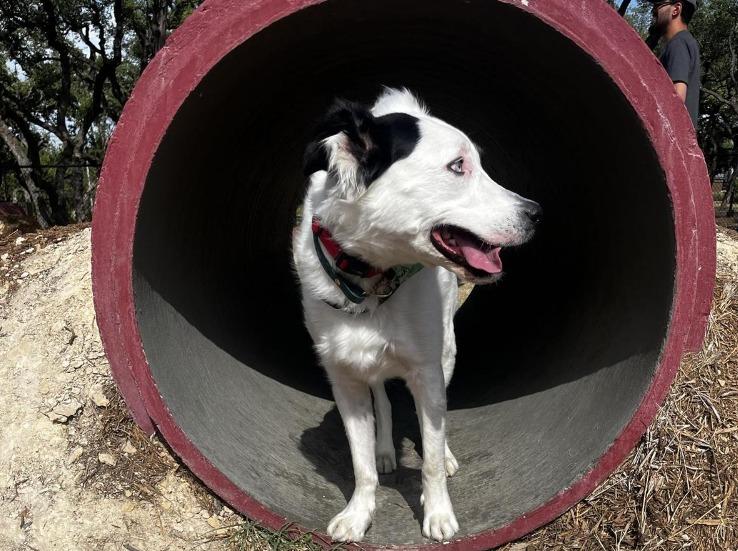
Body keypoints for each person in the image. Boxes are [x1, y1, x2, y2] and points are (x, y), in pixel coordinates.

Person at [647, 0, 701, 128]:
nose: (654, 11)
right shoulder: (685, 42)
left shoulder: (678, 43)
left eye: (658, 5)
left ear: (676, 9)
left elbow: (676, 99)